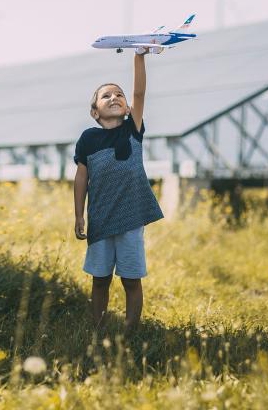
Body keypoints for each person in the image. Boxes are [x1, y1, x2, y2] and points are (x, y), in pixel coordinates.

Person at [73, 48, 164, 337]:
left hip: (131, 218)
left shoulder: (132, 129)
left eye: (118, 95)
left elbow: (139, 93)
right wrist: (79, 215)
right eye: (106, 96)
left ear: (127, 108)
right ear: (94, 112)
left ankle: (130, 332)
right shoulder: (88, 138)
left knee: (131, 278)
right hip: (100, 218)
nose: (114, 98)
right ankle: (97, 330)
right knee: (100, 280)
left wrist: (139, 56)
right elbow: (81, 177)